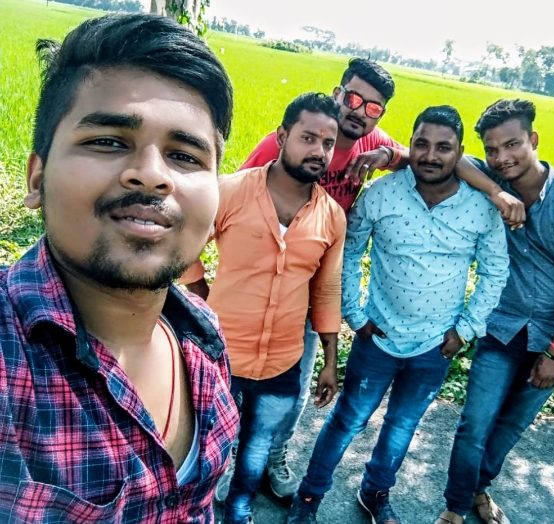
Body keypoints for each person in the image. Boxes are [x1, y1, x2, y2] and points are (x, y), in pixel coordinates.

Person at [238, 58, 525, 501]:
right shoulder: (292, 141)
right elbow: (226, 204)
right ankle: (231, 470)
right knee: (238, 381)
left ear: (380, 115)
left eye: (372, 107)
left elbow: (436, 159)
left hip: (315, 291)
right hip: (260, 285)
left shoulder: (374, 143)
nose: (359, 111)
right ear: (337, 93)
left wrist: (491, 190)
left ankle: (272, 459)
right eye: (353, 98)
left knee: (293, 386)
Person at [0, 14, 238, 522]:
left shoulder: (204, 336)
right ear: (37, 179)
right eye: (108, 141)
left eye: (185, 156)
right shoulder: (10, 360)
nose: (151, 175)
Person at [286, 105, 510, 524]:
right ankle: (309, 497)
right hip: (378, 337)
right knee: (347, 420)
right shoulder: (381, 194)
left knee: (402, 426)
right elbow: (348, 252)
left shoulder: (480, 208)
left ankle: (375, 492)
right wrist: (356, 315)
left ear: (460, 152)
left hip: (435, 346)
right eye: (421, 144)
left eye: (443, 147)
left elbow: (495, 271)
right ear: (410, 144)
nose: (430, 155)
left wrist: (465, 330)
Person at [181, 92, 346, 524]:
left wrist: (330, 360)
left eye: (328, 143)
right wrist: (201, 294)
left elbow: (326, 290)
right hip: (221, 352)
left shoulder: (331, 216)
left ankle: (239, 508)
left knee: (256, 447)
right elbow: (185, 245)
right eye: (308, 138)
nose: (319, 150)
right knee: (205, 440)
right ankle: (196, 508)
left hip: (283, 359)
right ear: (283, 135)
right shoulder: (231, 191)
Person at [434, 99, 554, 524]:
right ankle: (455, 508)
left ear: (533, 140)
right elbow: (451, 160)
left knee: (510, 427)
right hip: (501, 327)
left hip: (551, 339)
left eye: (512, 145)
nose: (502, 157)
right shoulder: (492, 179)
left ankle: (478, 490)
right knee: (475, 424)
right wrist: (496, 192)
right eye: (492, 149)